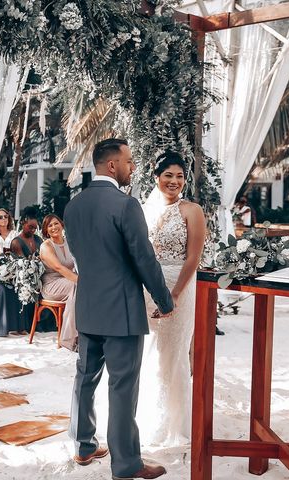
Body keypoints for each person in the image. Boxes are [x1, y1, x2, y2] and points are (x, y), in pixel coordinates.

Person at [63, 138, 173, 480]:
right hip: (121, 312)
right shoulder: (126, 205)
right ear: (112, 165)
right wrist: (164, 299)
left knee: (85, 379)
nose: (132, 167)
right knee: (123, 386)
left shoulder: (73, 207)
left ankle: (83, 446)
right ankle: (126, 464)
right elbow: (144, 258)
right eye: (129, 161)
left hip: (88, 308)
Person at [139, 151, 205, 446]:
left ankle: (175, 423)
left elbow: (194, 257)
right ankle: (145, 418)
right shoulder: (144, 210)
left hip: (180, 284)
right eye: (168, 175)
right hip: (146, 288)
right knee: (147, 352)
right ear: (156, 177)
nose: (174, 181)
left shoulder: (192, 210)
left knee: (174, 352)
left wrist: (174, 294)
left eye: (179, 176)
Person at [39, 214, 78, 338]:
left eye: (56, 223)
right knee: (77, 286)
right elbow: (58, 267)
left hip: (69, 280)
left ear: (62, 225)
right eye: (50, 225)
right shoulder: (46, 246)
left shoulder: (70, 242)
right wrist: (80, 280)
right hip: (51, 285)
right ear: (46, 230)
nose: (54, 227)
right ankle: (71, 336)